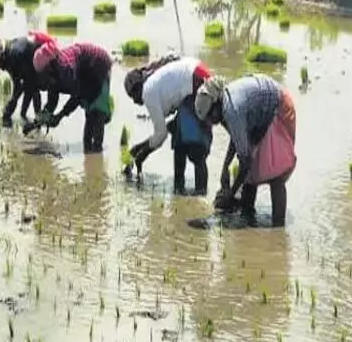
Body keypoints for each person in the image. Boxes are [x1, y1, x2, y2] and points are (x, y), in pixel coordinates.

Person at [194, 73, 296, 227]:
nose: (210, 122)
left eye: (209, 117)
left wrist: (231, 193)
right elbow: (237, 138)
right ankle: (248, 217)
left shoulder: (231, 110)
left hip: (278, 107)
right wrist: (225, 168)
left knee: (276, 175)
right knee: (250, 176)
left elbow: (245, 160)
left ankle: (278, 228)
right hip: (261, 116)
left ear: (215, 106)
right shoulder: (225, 106)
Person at [123, 55, 214, 195]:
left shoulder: (148, 92)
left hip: (196, 82)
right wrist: (138, 150)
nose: (135, 101)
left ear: (138, 88)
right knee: (179, 139)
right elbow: (163, 131)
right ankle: (179, 190)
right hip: (196, 74)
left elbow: (161, 136)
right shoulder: (154, 82)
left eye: (132, 95)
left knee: (195, 147)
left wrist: (141, 154)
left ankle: (200, 194)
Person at [27, 40, 114, 152]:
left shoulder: (66, 70)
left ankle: (97, 151)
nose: (41, 77)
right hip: (85, 70)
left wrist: (60, 116)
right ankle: (88, 153)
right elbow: (52, 100)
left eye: (42, 73)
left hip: (99, 65)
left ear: (49, 67)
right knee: (89, 113)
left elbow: (77, 97)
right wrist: (37, 123)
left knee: (96, 112)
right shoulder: (53, 73)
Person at [0, 31, 55, 127]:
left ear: (1, 57)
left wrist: (17, 109)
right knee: (30, 91)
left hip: (47, 63)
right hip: (31, 64)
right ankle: (35, 121)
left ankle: (38, 122)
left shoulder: (15, 55)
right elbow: (18, 82)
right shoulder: (8, 57)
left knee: (34, 90)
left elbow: (30, 83)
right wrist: (13, 103)